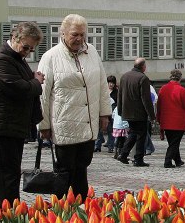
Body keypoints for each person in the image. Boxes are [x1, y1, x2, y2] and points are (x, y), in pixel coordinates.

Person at [39, 14, 111, 199]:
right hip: (64, 123)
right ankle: (62, 206)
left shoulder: (92, 52)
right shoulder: (51, 57)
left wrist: (105, 113)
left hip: (88, 122)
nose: (79, 39)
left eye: (82, 34)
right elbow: (43, 94)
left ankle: (82, 206)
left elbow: (102, 85)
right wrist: (43, 124)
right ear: (63, 33)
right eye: (74, 35)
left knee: (83, 166)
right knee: (64, 169)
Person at [0, 22, 44, 203]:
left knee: (4, 180)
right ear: (14, 38)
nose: (27, 52)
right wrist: (36, 82)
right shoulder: (2, 59)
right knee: (8, 179)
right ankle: (11, 216)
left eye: (31, 49)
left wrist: (32, 81)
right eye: (25, 47)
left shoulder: (15, 58)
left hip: (9, 127)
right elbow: (19, 89)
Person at [115, 58, 155, 167]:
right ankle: (138, 159)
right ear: (143, 67)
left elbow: (120, 96)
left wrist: (120, 111)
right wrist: (152, 115)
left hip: (127, 112)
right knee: (141, 135)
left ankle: (123, 155)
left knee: (133, 133)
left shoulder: (124, 76)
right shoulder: (143, 78)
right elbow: (146, 99)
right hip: (139, 113)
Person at [157, 69, 185, 168]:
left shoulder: (163, 89)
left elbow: (159, 105)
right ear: (180, 78)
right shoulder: (181, 90)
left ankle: (178, 160)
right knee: (174, 143)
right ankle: (167, 161)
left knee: (172, 142)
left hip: (166, 120)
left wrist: (158, 118)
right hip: (178, 121)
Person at [94, 75, 117, 153]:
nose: (111, 84)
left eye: (112, 83)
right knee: (98, 130)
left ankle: (111, 146)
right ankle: (97, 145)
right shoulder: (103, 91)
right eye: (109, 82)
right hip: (102, 112)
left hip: (112, 113)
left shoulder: (116, 92)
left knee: (111, 130)